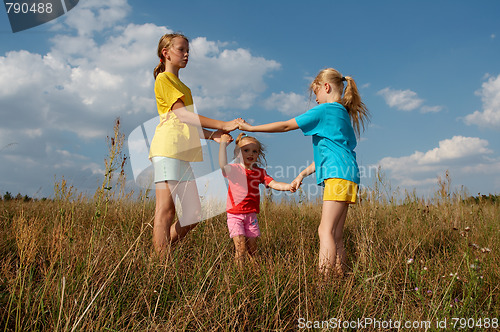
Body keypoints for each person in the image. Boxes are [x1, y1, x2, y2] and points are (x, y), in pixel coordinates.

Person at [238, 68, 370, 276]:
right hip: (349, 175)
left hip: (337, 176)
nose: (315, 99)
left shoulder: (325, 110)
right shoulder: (342, 114)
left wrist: (252, 128)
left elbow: (285, 126)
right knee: (336, 234)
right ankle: (341, 276)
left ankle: (324, 283)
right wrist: (302, 174)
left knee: (324, 230)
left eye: (315, 93)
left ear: (326, 87)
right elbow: (329, 155)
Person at [150, 33, 240, 256]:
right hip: (167, 149)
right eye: (181, 49)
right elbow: (183, 116)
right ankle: (161, 265)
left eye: (187, 50)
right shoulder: (164, 80)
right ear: (166, 53)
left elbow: (188, 124)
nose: (186, 54)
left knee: (193, 213)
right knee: (166, 210)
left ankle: (159, 253)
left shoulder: (183, 86)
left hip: (183, 154)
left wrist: (213, 136)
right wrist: (224, 124)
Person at [219, 132, 292, 265]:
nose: (250, 154)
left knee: (252, 249)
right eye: (246, 150)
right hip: (235, 215)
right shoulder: (234, 169)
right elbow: (223, 165)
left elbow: (273, 183)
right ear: (238, 153)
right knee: (240, 248)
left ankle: (253, 271)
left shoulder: (259, 172)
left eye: (254, 151)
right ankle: (239, 275)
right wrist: (223, 144)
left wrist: (289, 186)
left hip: (251, 215)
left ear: (258, 154)